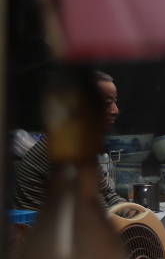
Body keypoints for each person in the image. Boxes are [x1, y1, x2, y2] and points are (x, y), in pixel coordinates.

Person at [12, 70, 126, 211]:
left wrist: (135, 212)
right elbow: (97, 209)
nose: (115, 110)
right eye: (107, 103)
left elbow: (109, 195)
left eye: (115, 102)